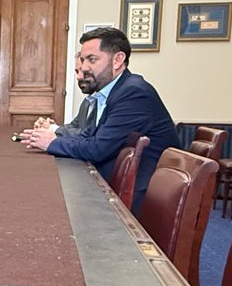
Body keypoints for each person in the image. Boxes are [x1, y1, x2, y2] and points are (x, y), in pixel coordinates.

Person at [21, 27, 179, 213]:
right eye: (82, 60)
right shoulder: (115, 92)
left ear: (118, 60)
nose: (85, 68)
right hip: (121, 184)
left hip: (144, 198)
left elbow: (97, 148)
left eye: (92, 59)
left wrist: (52, 142)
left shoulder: (134, 93)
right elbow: (88, 135)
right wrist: (49, 138)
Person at [22, 52, 97, 139]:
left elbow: (88, 135)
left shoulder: (105, 102)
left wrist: (53, 128)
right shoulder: (88, 101)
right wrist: (50, 127)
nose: (78, 77)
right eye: (77, 71)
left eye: (83, 71)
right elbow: (73, 127)